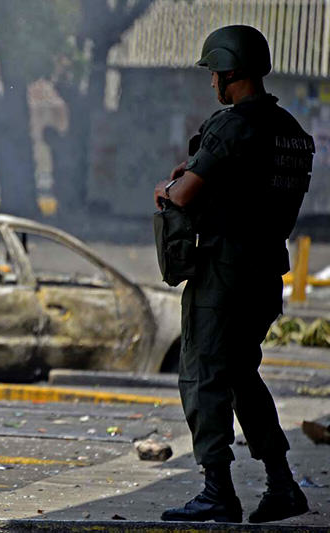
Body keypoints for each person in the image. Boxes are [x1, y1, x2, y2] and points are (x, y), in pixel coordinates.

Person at [154, 25, 315, 524]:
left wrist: (166, 188)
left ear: (231, 73)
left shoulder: (232, 126)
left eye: (215, 75)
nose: (213, 84)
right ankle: (283, 486)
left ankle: (217, 491)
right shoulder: (291, 131)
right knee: (242, 376)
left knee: (203, 376)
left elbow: (182, 197)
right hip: (266, 271)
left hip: (223, 272)